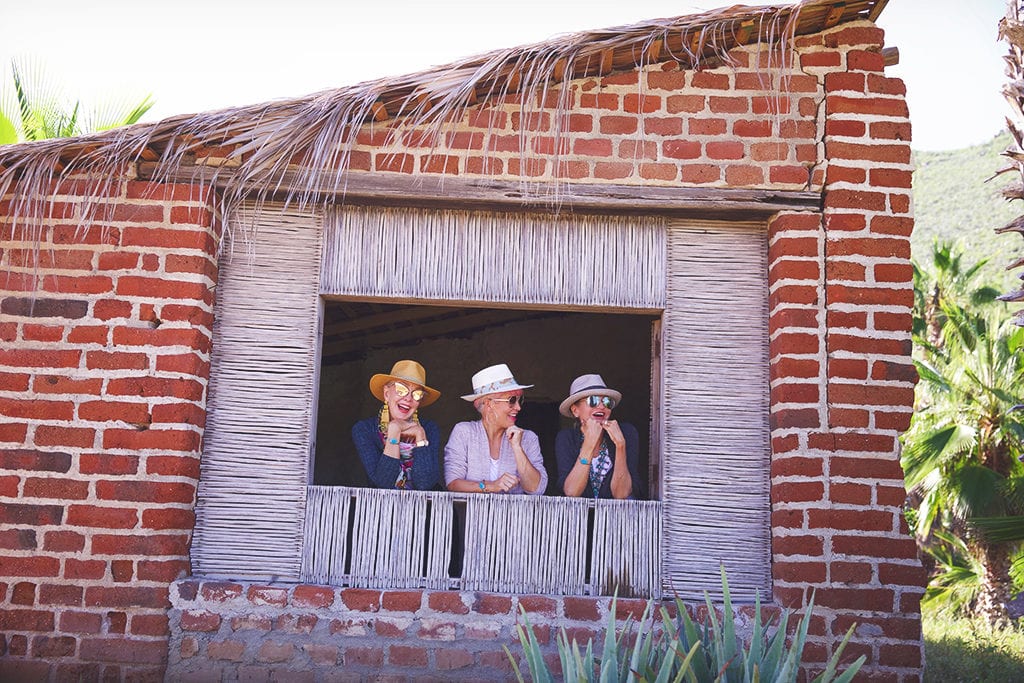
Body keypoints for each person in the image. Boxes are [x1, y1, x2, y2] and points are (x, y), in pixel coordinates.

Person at [444, 363, 547, 495]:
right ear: (489, 404)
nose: (518, 407)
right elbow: (453, 483)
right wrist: (491, 486)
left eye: (520, 401)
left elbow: (536, 489)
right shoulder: (464, 432)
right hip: (472, 515)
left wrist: (517, 447)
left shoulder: (528, 438)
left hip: (514, 516)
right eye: (512, 400)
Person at [351, 360, 442, 490]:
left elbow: (425, 484)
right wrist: (394, 430)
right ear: (387, 394)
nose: (408, 398)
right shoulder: (364, 429)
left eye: (416, 394)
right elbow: (384, 482)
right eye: (401, 389)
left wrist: (420, 436)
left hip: (424, 509)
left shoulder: (429, 429)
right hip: (382, 508)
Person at [555, 374, 641, 499]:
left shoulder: (627, 432)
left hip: (617, 516)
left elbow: (621, 494)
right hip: (578, 516)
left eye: (607, 402)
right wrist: (589, 443)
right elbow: (572, 492)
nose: (601, 406)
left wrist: (620, 445)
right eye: (593, 400)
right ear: (575, 410)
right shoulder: (566, 438)